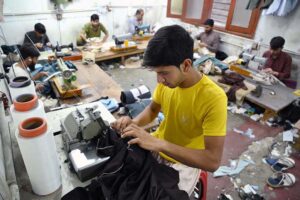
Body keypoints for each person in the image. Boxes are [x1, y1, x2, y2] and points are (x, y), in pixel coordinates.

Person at [111, 25, 227, 195]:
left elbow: (212, 161)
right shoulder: (168, 83)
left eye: (164, 73)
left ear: (186, 65)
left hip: (184, 162)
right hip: (158, 146)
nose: (159, 80)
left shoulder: (213, 98)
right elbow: (152, 110)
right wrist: (133, 123)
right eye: (156, 73)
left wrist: (159, 143)